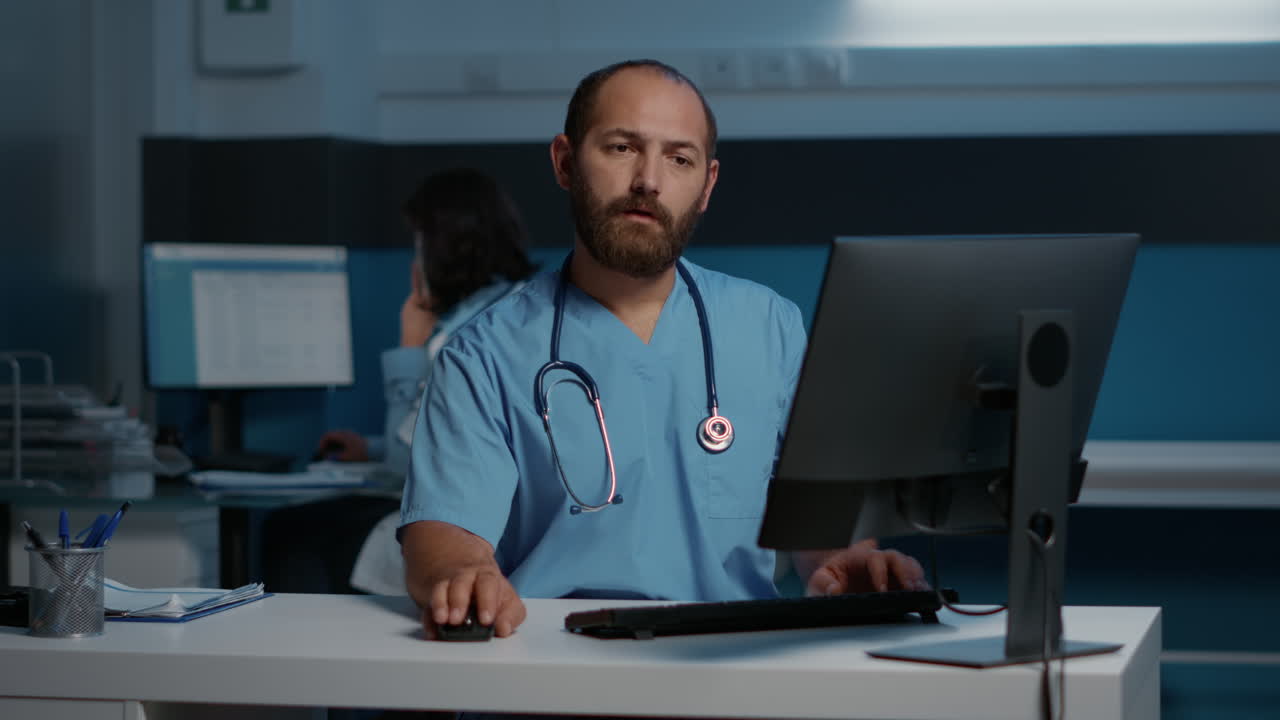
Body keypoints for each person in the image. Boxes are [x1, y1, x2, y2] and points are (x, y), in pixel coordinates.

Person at [398, 59, 925, 639]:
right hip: (555, 663)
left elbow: (818, 524)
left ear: (707, 185)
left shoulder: (769, 326)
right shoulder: (484, 354)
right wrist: (463, 573)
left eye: (679, 158)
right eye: (622, 148)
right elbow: (443, 536)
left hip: (735, 659)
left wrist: (843, 559)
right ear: (566, 163)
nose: (649, 180)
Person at [261, 168, 535, 595]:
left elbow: (406, 464)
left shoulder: (458, 337)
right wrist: (367, 446)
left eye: (419, 243)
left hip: (465, 529)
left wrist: (410, 343)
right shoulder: (513, 305)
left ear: (440, 248)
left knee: (289, 530)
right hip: (491, 514)